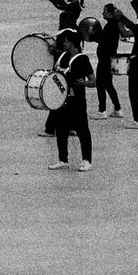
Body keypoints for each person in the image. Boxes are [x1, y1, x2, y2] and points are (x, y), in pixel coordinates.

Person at [48, 35, 94, 172]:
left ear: (72, 43)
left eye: (66, 41)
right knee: (61, 129)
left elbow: (93, 81)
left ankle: (87, 160)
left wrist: (83, 83)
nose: (63, 43)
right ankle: (63, 159)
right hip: (62, 100)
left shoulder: (82, 60)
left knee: (82, 130)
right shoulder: (63, 57)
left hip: (77, 100)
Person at [92, 4, 128, 116]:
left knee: (101, 84)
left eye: (104, 11)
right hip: (110, 58)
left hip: (105, 60)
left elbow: (102, 39)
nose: (102, 13)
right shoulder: (114, 25)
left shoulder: (110, 26)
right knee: (108, 84)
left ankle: (102, 111)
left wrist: (92, 35)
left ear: (109, 13)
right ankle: (117, 109)